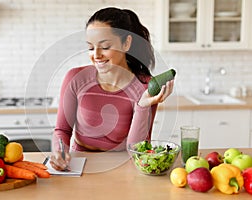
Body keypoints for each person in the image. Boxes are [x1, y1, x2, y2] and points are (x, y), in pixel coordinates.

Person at [49, 7, 174, 171]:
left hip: (122, 168)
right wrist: (59, 151)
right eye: (91, 48)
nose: (96, 55)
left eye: (105, 46)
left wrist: (142, 105)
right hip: (79, 166)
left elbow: (136, 151)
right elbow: (62, 130)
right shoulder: (75, 78)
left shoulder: (146, 86)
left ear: (126, 43)